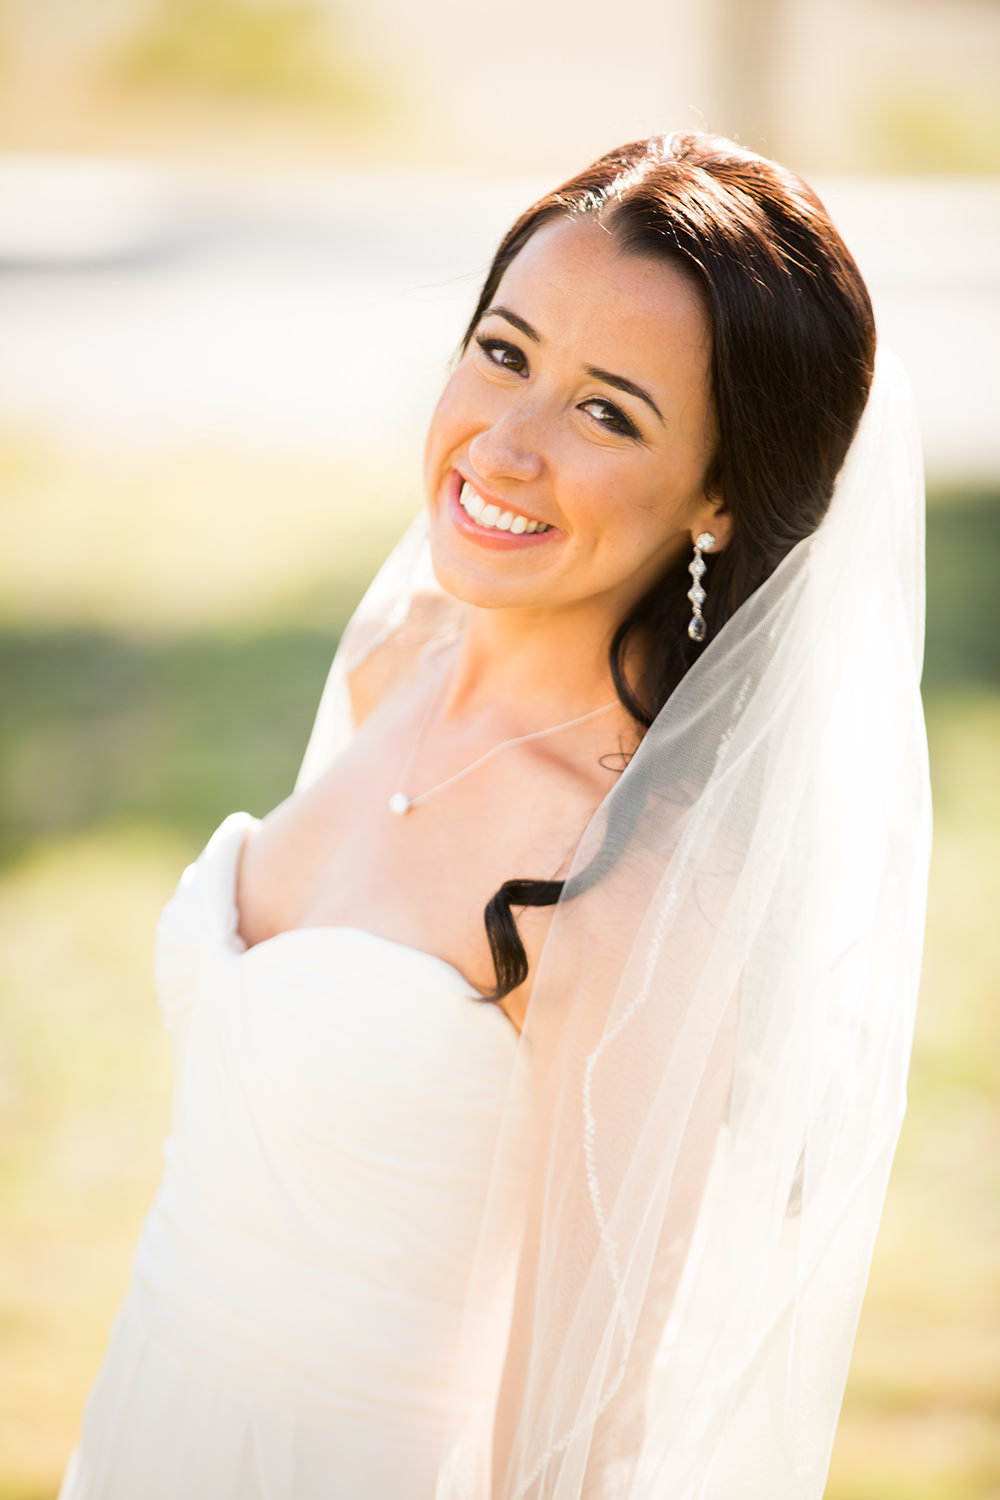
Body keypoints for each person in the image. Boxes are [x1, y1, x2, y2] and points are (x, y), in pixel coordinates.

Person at [59, 132, 931, 1500]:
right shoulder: (392, 655)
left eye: (609, 413)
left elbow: (584, 1443)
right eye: (507, 351)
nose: (506, 446)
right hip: (149, 1426)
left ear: (718, 499)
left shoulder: (626, 878)